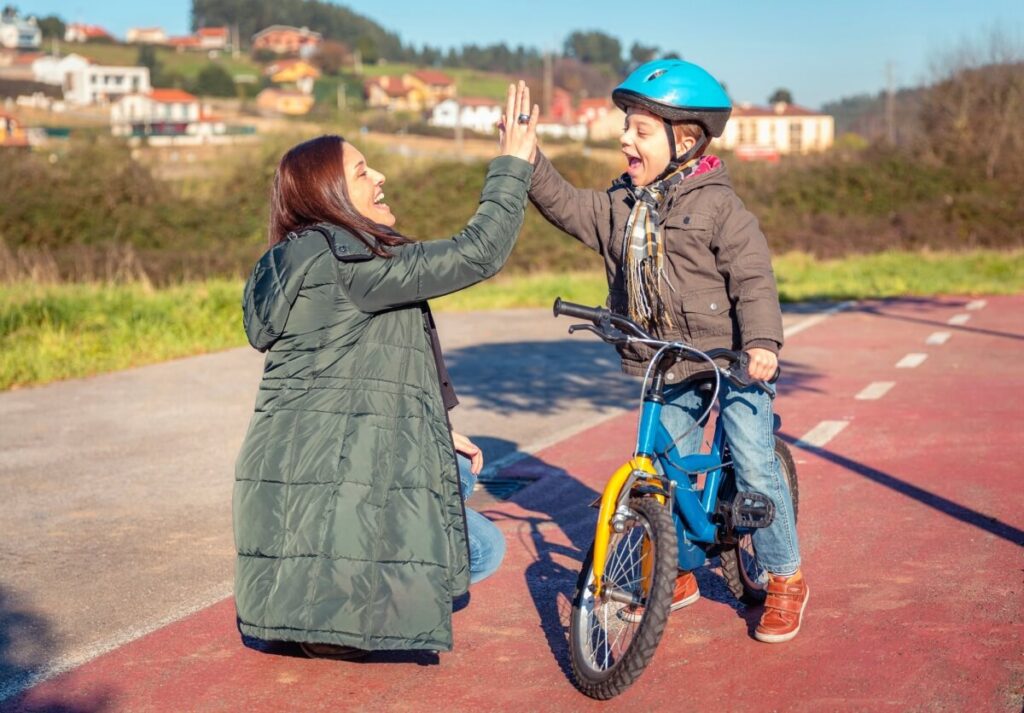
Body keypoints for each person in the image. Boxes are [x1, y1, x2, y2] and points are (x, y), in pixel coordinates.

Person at [233, 82, 539, 659]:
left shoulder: (302, 258)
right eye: (362, 172)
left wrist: (435, 427)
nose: (380, 180)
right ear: (330, 194)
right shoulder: (351, 259)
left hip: (291, 472)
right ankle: (345, 617)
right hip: (335, 470)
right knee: (479, 546)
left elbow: (360, 369)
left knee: (459, 487)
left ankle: (315, 607)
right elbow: (478, 251)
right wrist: (513, 166)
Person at [526, 60, 807, 643]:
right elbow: (569, 207)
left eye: (640, 130)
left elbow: (753, 279)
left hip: (732, 360)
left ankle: (784, 576)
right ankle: (676, 572)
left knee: (754, 465)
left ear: (685, 140)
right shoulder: (623, 205)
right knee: (666, 471)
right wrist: (529, 161)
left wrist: (761, 344)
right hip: (669, 357)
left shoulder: (719, 208)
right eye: (626, 127)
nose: (624, 138)